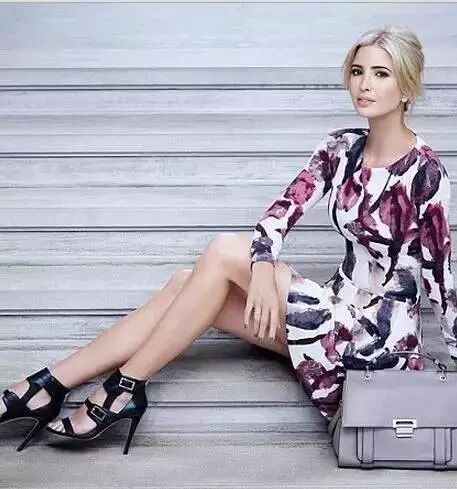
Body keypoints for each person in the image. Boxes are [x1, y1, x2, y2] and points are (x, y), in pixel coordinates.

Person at [2, 24, 456, 454]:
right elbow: (279, 215)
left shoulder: (426, 172)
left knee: (223, 252)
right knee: (188, 285)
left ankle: (122, 387)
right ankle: (50, 384)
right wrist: (263, 267)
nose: (364, 84)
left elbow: (440, 278)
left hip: (374, 340)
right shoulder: (341, 149)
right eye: (358, 71)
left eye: (381, 74)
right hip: (332, 312)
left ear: (407, 87)